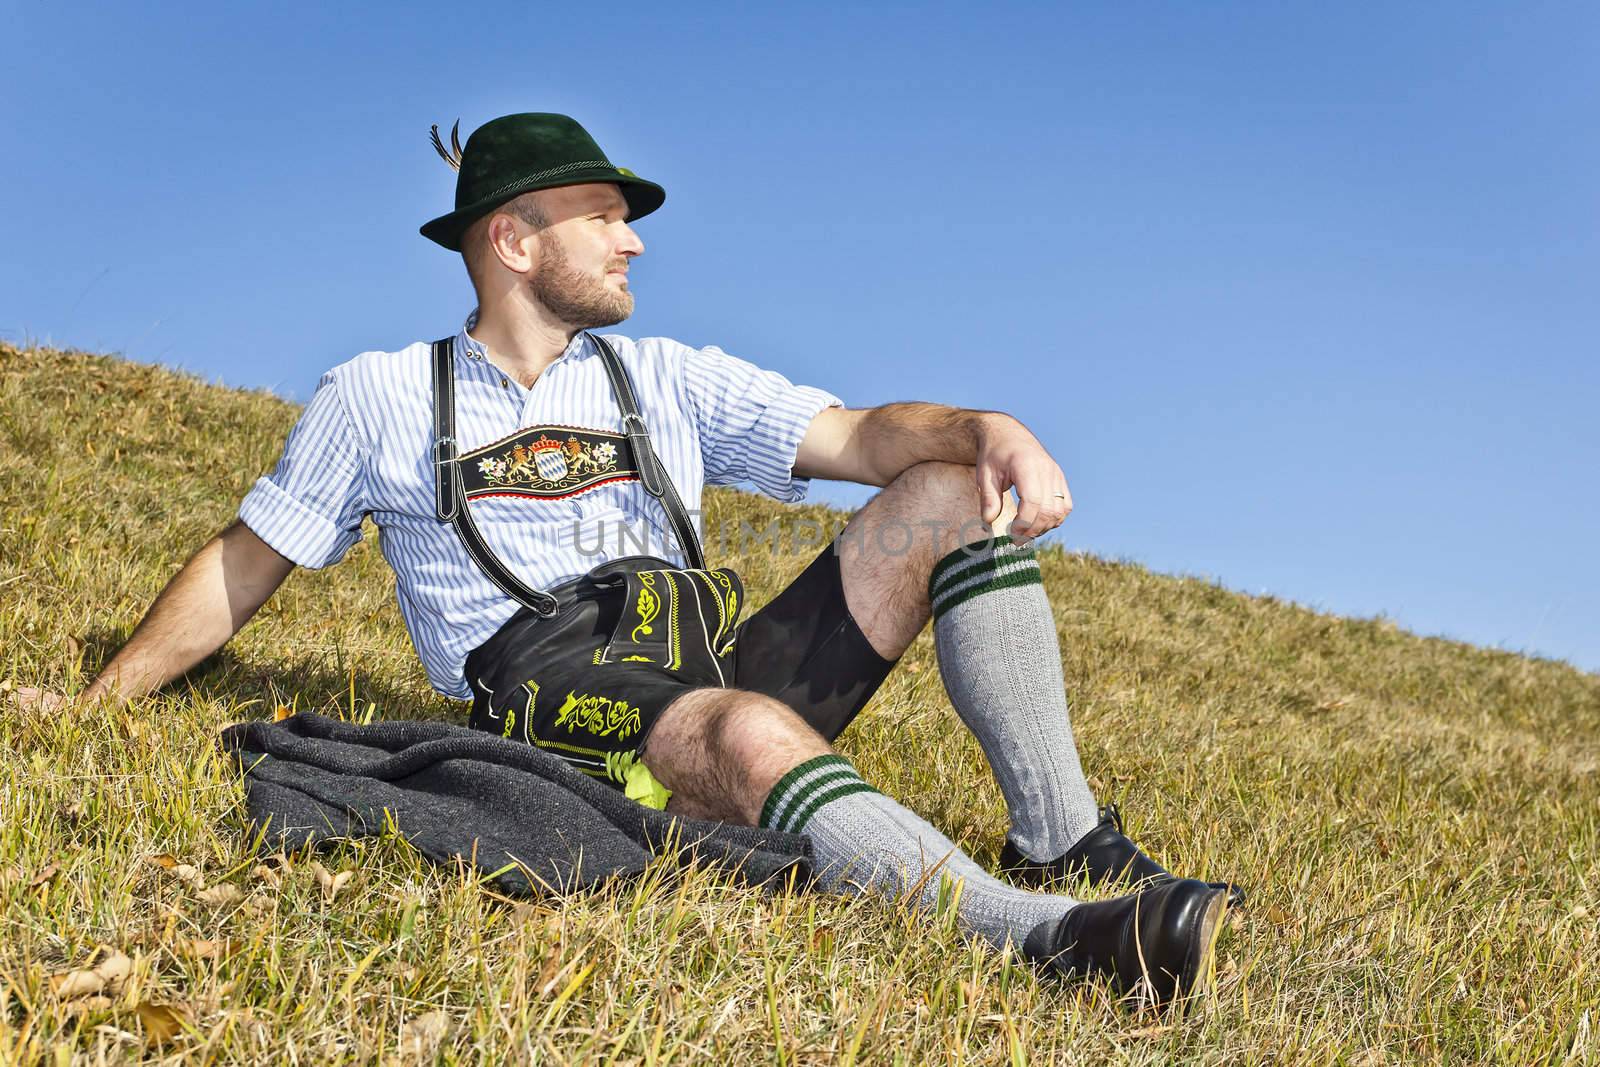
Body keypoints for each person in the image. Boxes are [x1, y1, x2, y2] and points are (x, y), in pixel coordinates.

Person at [20, 113, 1239, 1005]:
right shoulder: (382, 395)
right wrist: (90, 703)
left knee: (939, 495)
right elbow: (248, 559)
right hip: (555, 693)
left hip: (704, 660)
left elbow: (862, 438)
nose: (633, 243)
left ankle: (1060, 838)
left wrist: (989, 433)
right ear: (513, 237)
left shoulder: (665, 378)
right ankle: (1044, 936)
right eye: (603, 216)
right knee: (746, 736)